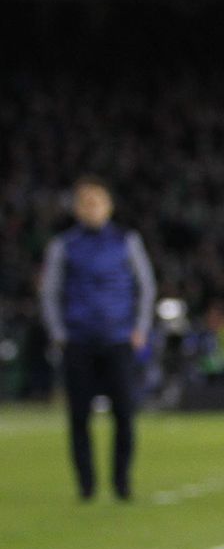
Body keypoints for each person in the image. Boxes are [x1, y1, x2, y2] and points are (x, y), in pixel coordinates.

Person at [39, 176, 156, 502]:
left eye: (97, 202)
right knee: (78, 416)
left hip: (118, 339)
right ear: (77, 210)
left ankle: (121, 482)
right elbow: (50, 292)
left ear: (109, 207)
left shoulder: (126, 240)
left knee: (125, 415)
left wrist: (140, 329)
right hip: (78, 340)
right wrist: (59, 334)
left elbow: (145, 287)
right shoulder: (64, 245)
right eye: (85, 204)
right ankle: (86, 486)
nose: (91, 209)